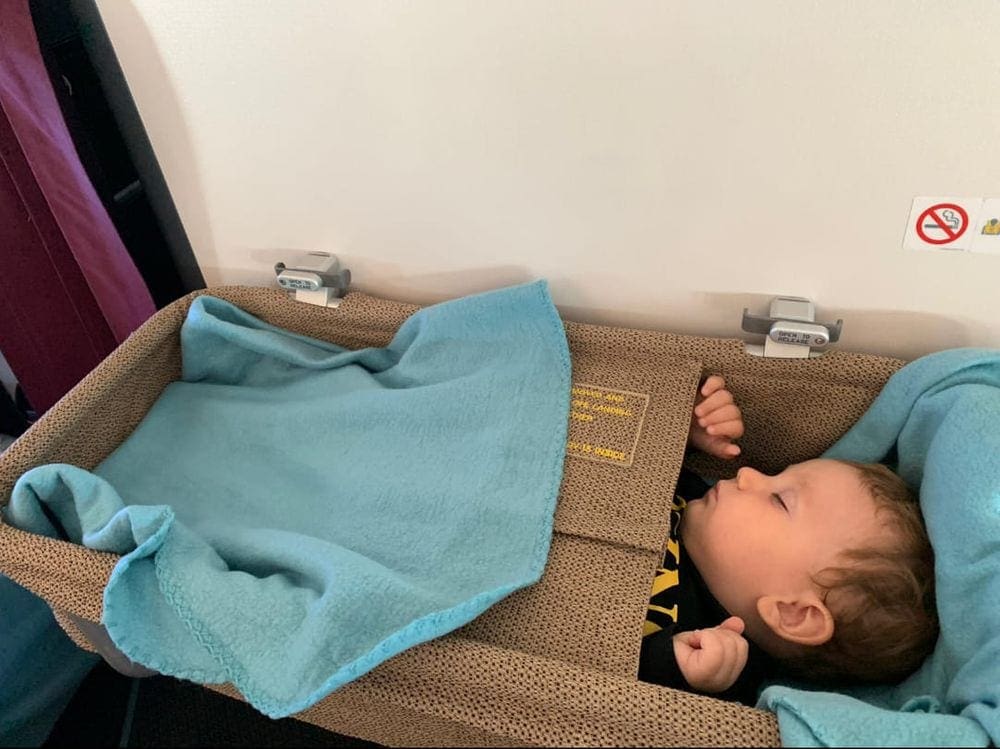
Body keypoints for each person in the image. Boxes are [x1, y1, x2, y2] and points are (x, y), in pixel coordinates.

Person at [638, 375, 938, 705]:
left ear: (793, 613)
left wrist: (671, 667)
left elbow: (598, 686)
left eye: (779, 500)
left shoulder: (717, 664)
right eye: (775, 476)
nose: (747, 474)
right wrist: (686, 432)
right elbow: (631, 465)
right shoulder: (697, 501)